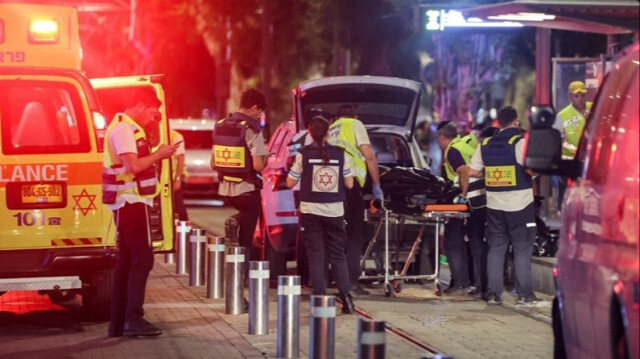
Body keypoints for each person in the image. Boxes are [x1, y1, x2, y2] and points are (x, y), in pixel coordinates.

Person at [103, 88, 179, 337]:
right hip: (132, 203)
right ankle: (133, 320)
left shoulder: (126, 127)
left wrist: (157, 149)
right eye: (151, 111)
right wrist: (160, 154)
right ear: (138, 106)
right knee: (142, 260)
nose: (153, 116)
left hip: (129, 204)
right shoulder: (124, 129)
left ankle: (119, 322)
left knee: (127, 261)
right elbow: (133, 165)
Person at [468, 106, 540, 305]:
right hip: (520, 205)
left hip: (494, 205)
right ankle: (525, 294)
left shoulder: (486, 143)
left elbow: (473, 171)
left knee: (496, 247)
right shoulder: (519, 143)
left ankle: (492, 293)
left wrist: (491, 173)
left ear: (498, 122)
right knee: (522, 248)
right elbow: (532, 171)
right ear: (515, 121)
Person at [286, 116, 355, 314]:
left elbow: (290, 183)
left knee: (316, 253)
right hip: (335, 211)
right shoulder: (342, 155)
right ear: (328, 133)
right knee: (337, 255)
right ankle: (347, 299)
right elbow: (349, 184)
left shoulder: (303, 155)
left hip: (310, 211)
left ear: (309, 133)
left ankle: (319, 296)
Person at [328, 104, 383, 295]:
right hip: (349, 185)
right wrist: (376, 185)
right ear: (355, 116)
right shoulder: (355, 124)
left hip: (329, 185)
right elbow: (369, 156)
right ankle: (351, 280)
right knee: (354, 234)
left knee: (336, 233)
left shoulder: (332, 128)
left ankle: (336, 278)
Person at [210, 88, 268, 260]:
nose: (259, 116)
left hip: (226, 190)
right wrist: (265, 157)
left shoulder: (220, 126)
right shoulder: (252, 129)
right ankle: (242, 277)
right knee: (246, 239)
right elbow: (258, 166)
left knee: (243, 219)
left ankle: (236, 220)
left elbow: (213, 163)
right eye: (260, 111)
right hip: (246, 189)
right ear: (254, 107)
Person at [436, 121, 474, 294]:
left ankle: (460, 282)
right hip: (477, 200)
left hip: (462, 200)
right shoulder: (464, 145)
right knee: (464, 242)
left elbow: (463, 171)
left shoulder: (452, 150)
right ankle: (464, 280)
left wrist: (462, 197)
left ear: (442, 137)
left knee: (452, 243)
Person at [552, 81, 592, 210]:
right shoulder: (562, 116)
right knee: (568, 200)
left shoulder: (595, 108)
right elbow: (555, 141)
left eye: (583, 95)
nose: (580, 99)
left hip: (592, 162)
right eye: (576, 96)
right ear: (570, 96)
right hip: (571, 163)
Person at [170, 129, 189, 221]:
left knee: (178, 206)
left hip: (173, 178)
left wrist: (177, 179)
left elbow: (180, 158)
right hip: (162, 179)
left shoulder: (175, 136)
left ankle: (184, 229)